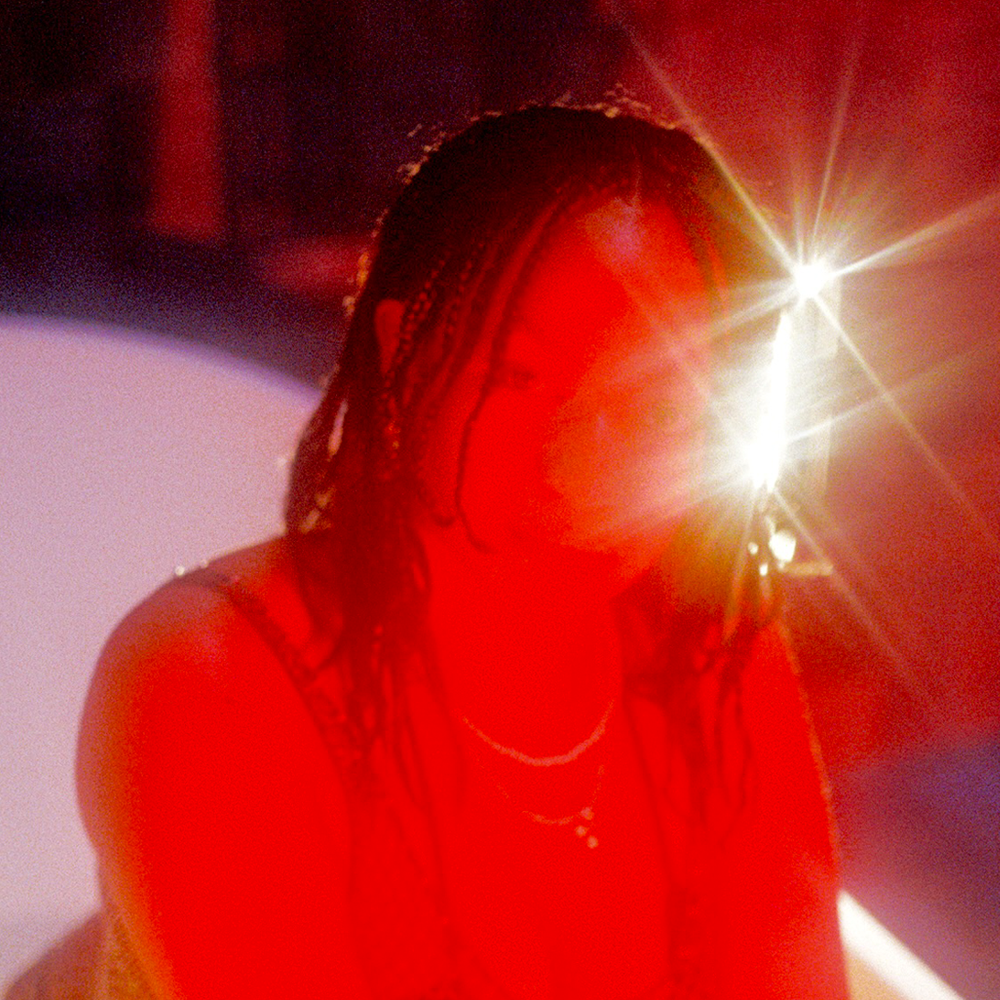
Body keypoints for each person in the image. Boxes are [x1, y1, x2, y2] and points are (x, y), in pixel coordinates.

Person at [10, 105, 848, 1000]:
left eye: (660, 403)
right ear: (401, 353)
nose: (579, 468)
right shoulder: (213, 673)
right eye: (521, 377)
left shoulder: (709, 657)